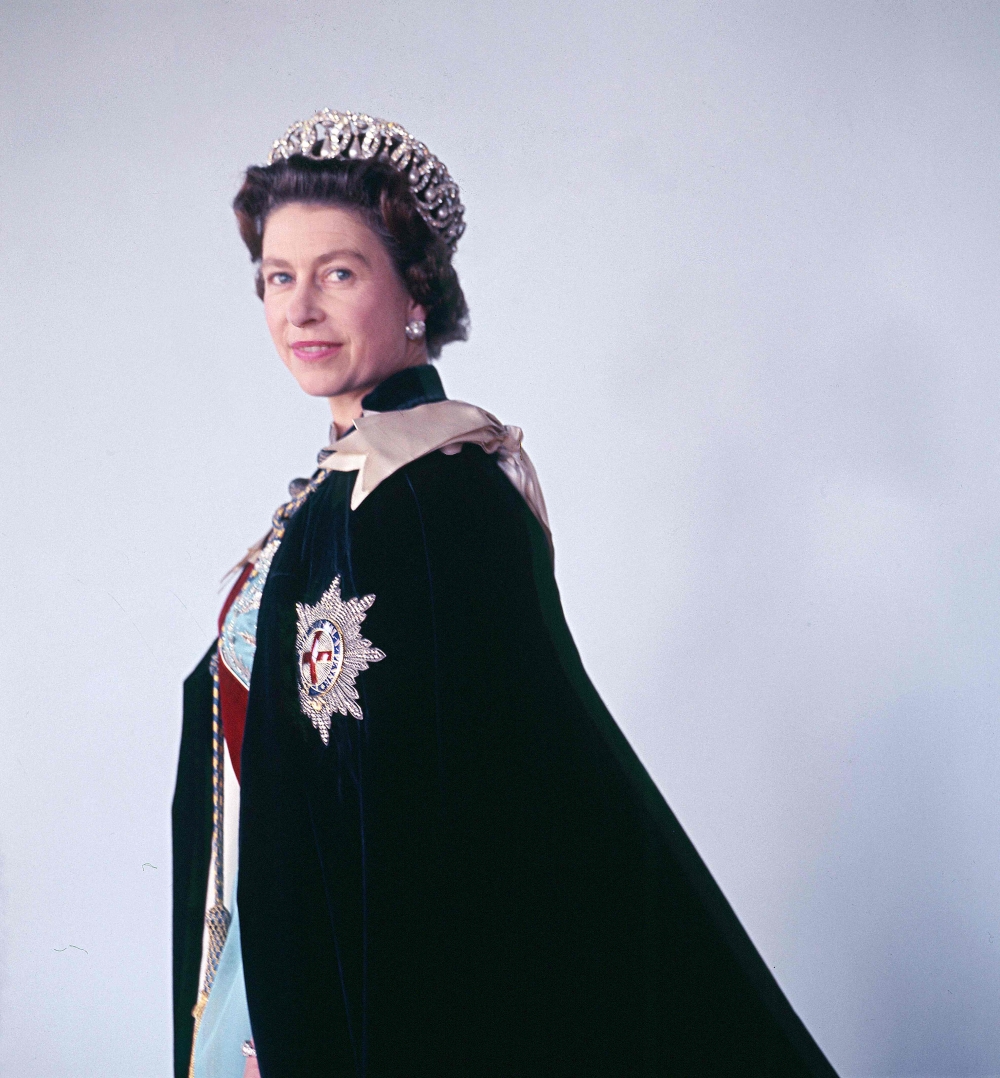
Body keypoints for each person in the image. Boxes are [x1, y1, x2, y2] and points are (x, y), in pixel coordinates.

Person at [172, 110, 838, 1078]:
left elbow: (471, 807)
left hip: (377, 984)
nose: (300, 309)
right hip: (287, 954)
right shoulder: (334, 490)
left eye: (339, 273)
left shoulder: (439, 490)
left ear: (415, 294)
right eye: (279, 277)